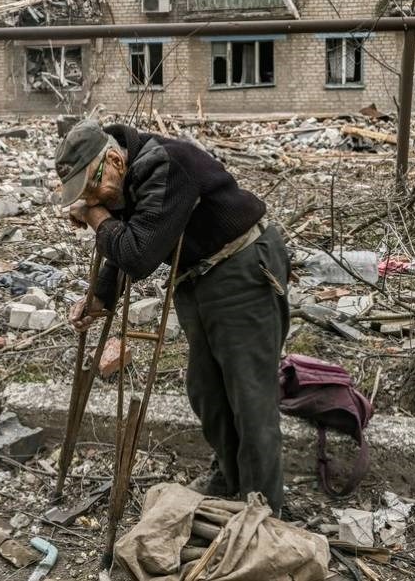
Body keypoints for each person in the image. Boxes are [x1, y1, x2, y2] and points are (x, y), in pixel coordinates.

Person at [55, 118, 291, 512]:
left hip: (243, 267)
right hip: (197, 277)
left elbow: (139, 253)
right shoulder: (128, 178)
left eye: (91, 187)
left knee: (250, 396)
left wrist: (97, 218)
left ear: (113, 159)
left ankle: (262, 508)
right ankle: (229, 478)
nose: (92, 199)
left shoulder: (164, 165)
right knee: (206, 390)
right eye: (83, 194)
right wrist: (100, 297)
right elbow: (130, 240)